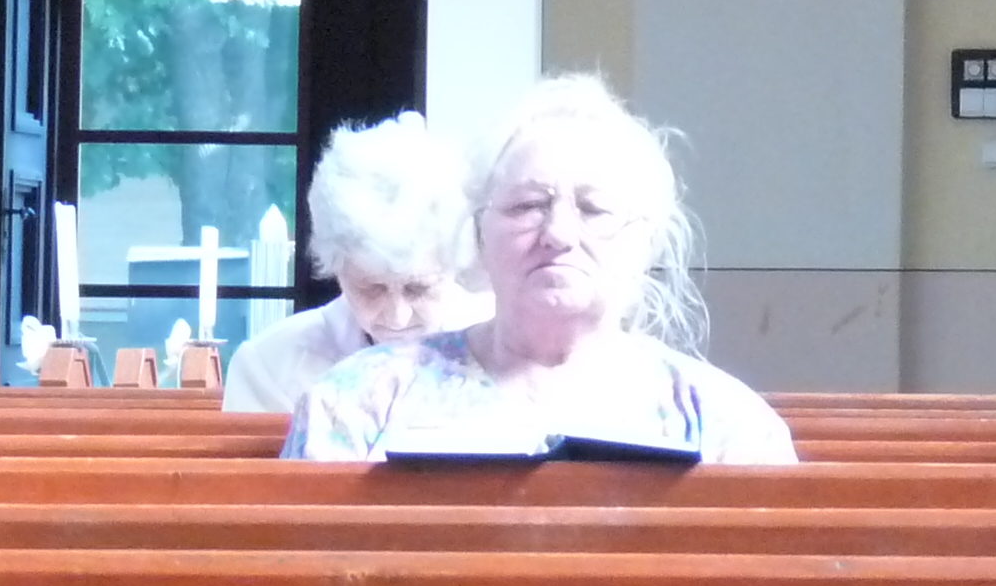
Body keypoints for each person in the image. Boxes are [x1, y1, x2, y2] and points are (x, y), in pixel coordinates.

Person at [283, 75, 796, 463]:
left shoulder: (727, 426)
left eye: (593, 209)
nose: (559, 233)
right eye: (528, 205)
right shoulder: (355, 405)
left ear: (644, 242)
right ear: (479, 234)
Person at [223, 113, 490, 414]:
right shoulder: (270, 368)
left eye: (418, 289)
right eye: (372, 288)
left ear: (454, 265)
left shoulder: (511, 349)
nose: (397, 317)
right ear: (336, 269)